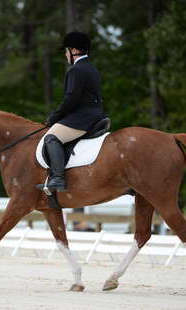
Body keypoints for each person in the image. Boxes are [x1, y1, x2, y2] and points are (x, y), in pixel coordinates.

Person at [42, 31, 107, 192]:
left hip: (83, 118)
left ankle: (58, 178)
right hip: (95, 114)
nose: (65, 55)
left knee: (51, 138)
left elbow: (71, 100)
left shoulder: (76, 70)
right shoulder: (91, 68)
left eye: (66, 51)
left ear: (74, 51)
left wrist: (54, 117)